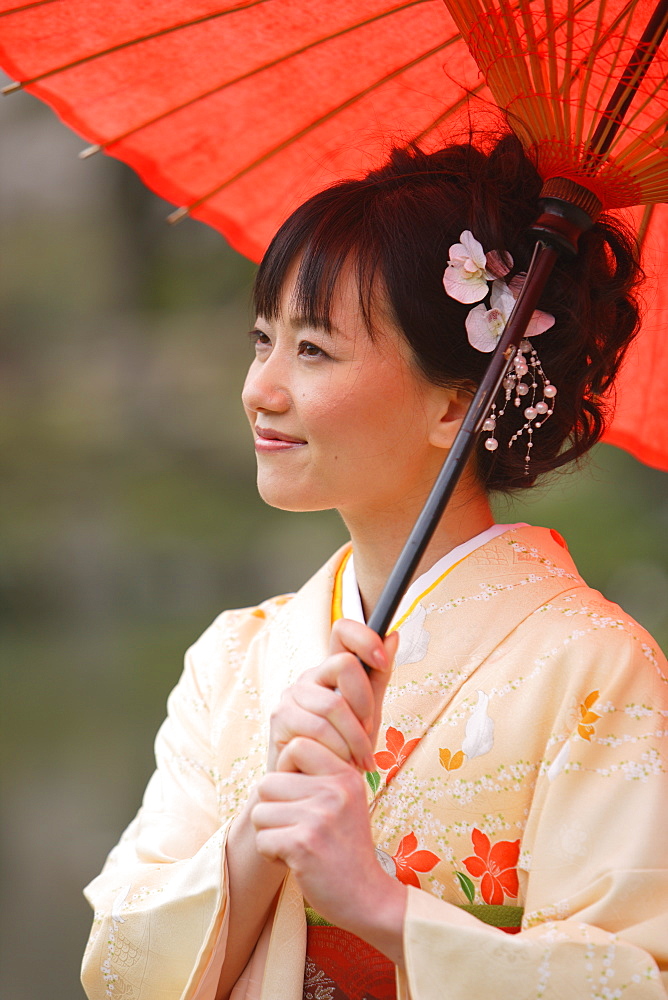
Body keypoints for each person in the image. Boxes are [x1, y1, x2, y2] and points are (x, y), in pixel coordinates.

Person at [81, 134, 668, 1000]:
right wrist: (256, 837)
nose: (261, 389)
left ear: (457, 404)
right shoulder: (235, 660)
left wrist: (379, 906)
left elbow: (636, 978)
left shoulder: (596, 668)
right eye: (261, 340)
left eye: (313, 350)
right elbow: (117, 967)